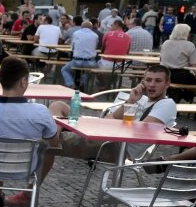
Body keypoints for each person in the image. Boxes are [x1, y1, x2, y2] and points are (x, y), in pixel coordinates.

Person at [46, 64, 178, 181]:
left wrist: (112, 123)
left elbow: (139, 131)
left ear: (167, 83)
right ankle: (54, 138)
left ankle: (52, 140)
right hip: (103, 136)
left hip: (116, 148)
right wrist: (131, 101)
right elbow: (109, 119)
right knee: (58, 106)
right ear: (143, 82)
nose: (151, 85)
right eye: (148, 80)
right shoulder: (140, 98)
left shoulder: (166, 104)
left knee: (43, 143)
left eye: (158, 81)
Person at [0, 56, 61, 207]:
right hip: (27, 168)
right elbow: (55, 143)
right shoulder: (41, 112)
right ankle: (29, 193)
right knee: (49, 149)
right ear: (23, 81)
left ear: (1, 80)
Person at [159, 22, 196, 93]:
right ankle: (186, 98)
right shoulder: (189, 45)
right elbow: (194, 65)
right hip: (182, 75)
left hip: (165, 75)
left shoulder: (166, 43)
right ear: (184, 33)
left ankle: (176, 96)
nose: (189, 34)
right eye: (188, 32)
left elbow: (161, 59)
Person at [61, 20, 101, 88]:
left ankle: (70, 83)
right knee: (90, 70)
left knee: (64, 70)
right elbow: (95, 47)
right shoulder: (95, 35)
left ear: (81, 27)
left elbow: (72, 48)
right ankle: (83, 83)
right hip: (90, 62)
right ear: (91, 27)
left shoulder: (76, 33)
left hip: (77, 61)